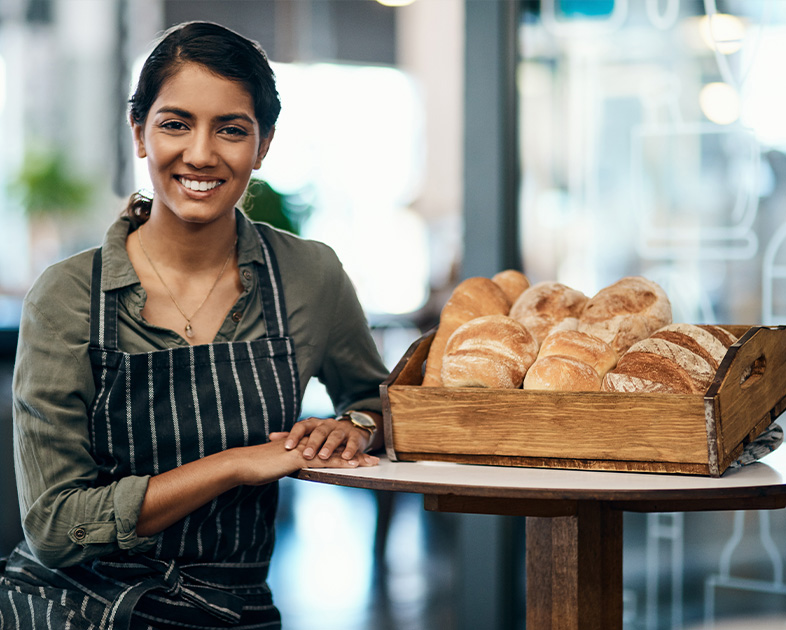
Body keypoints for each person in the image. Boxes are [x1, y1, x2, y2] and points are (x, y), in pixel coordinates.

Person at [0, 21, 389, 629]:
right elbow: (53, 526)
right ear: (139, 133)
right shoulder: (70, 293)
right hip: (76, 609)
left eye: (231, 129)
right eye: (175, 124)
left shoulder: (310, 274)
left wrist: (357, 427)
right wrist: (234, 464)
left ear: (262, 146)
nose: (201, 153)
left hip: (235, 609)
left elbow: (381, 402)